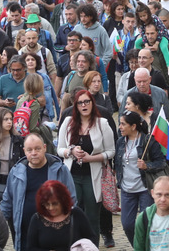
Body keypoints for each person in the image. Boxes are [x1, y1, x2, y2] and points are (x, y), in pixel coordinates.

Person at [57, 89, 116, 245]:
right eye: (80, 102)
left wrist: (92, 158)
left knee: (92, 217)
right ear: (76, 105)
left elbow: (111, 151)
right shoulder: (68, 122)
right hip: (72, 175)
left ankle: (92, 246)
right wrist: (71, 151)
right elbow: (59, 149)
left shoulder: (102, 123)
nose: (84, 105)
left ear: (92, 103)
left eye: (87, 102)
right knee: (71, 213)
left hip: (93, 176)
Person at [0, 133, 78, 251]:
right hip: (25, 234)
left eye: (37, 149)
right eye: (29, 150)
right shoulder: (16, 172)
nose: (34, 153)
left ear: (45, 148)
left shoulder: (60, 170)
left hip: (54, 234)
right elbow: (7, 202)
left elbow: (71, 200)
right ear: (24, 151)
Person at [114, 111, 167, 242]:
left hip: (145, 188)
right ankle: (138, 247)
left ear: (133, 126)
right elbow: (117, 162)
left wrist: (146, 166)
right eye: (120, 124)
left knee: (146, 224)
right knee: (127, 225)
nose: (120, 127)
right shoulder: (120, 142)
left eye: (123, 124)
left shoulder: (147, 140)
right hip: (127, 190)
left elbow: (161, 162)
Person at [25, 180, 97, 251]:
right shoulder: (37, 218)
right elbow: (31, 248)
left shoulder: (76, 214)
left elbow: (91, 238)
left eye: (55, 203)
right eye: (47, 204)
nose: (51, 208)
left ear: (63, 201)